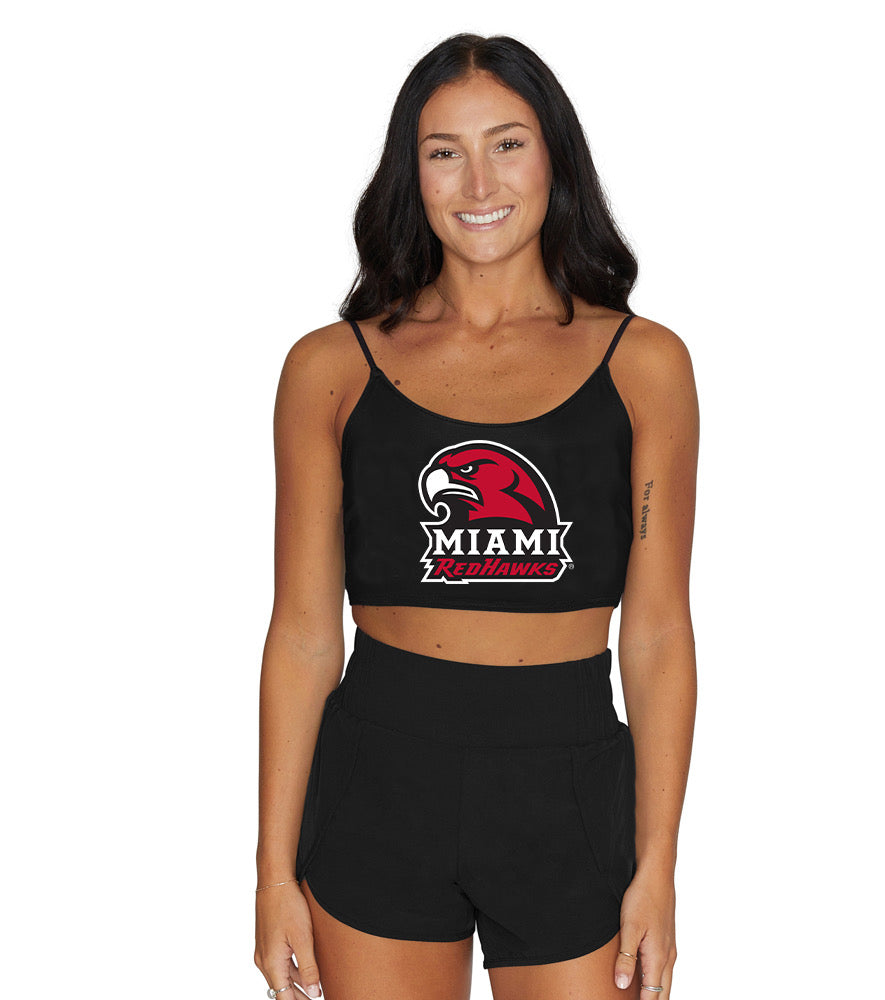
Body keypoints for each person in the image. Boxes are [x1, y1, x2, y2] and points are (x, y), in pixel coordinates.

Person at [254, 32, 698, 1000]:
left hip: (569, 790)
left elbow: (659, 632)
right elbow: (302, 635)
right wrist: (272, 872)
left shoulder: (643, 364)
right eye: (443, 151)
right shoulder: (330, 368)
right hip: (378, 781)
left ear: (554, 158)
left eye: (507, 144)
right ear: (410, 173)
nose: (478, 182)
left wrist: (659, 864)